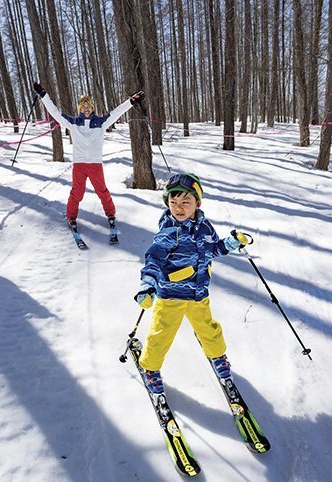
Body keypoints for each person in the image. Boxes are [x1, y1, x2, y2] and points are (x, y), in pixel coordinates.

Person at [133, 173, 248, 393]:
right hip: (171, 296)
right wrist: (147, 284)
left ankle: (217, 355)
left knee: (209, 329)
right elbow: (154, 258)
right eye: (173, 202)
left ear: (198, 203)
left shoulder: (205, 227)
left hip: (198, 294)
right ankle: (150, 368)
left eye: (186, 202)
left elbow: (213, 248)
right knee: (162, 335)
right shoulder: (169, 233)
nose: (178, 207)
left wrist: (231, 243)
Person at [32, 82, 144, 232]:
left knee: (102, 191)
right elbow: (55, 113)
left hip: (95, 165)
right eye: (83, 106)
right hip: (79, 165)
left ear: (92, 108)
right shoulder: (73, 123)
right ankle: (71, 216)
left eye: (88, 105)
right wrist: (44, 95)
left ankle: (111, 214)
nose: (86, 108)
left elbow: (117, 112)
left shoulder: (101, 123)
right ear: (79, 109)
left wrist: (131, 101)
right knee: (77, 193)